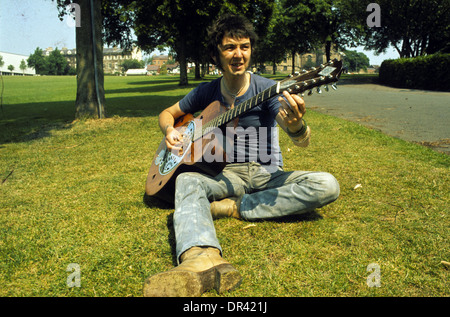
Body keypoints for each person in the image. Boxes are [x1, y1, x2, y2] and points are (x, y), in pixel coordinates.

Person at [143, 14, 340, 297]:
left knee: (327, 185)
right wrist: (170, 131)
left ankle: (236, 208)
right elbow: (167, 114)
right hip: (225, 176)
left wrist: (297, 125)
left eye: (245, 47)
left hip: (266, 175)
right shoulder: (207, 91)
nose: (239, 54)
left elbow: (299, 137)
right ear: (217, 54)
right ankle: (200, 255)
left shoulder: (267, 89)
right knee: (187, 181)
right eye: (230, 48)